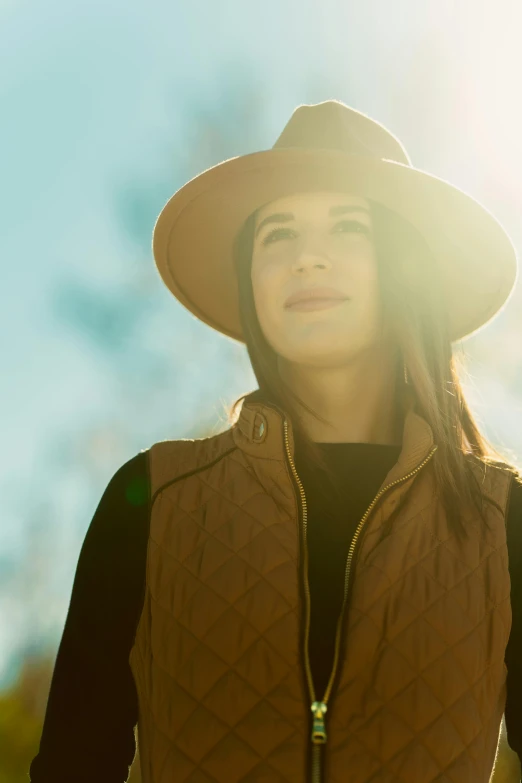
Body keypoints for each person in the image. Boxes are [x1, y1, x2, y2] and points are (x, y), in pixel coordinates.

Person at [29, 100, 522, 783]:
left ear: (408, 268)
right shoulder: (149, 503)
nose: (306, 257)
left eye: (348, 227)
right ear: (250, 281)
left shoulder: (504, 523)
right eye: (277, 234)